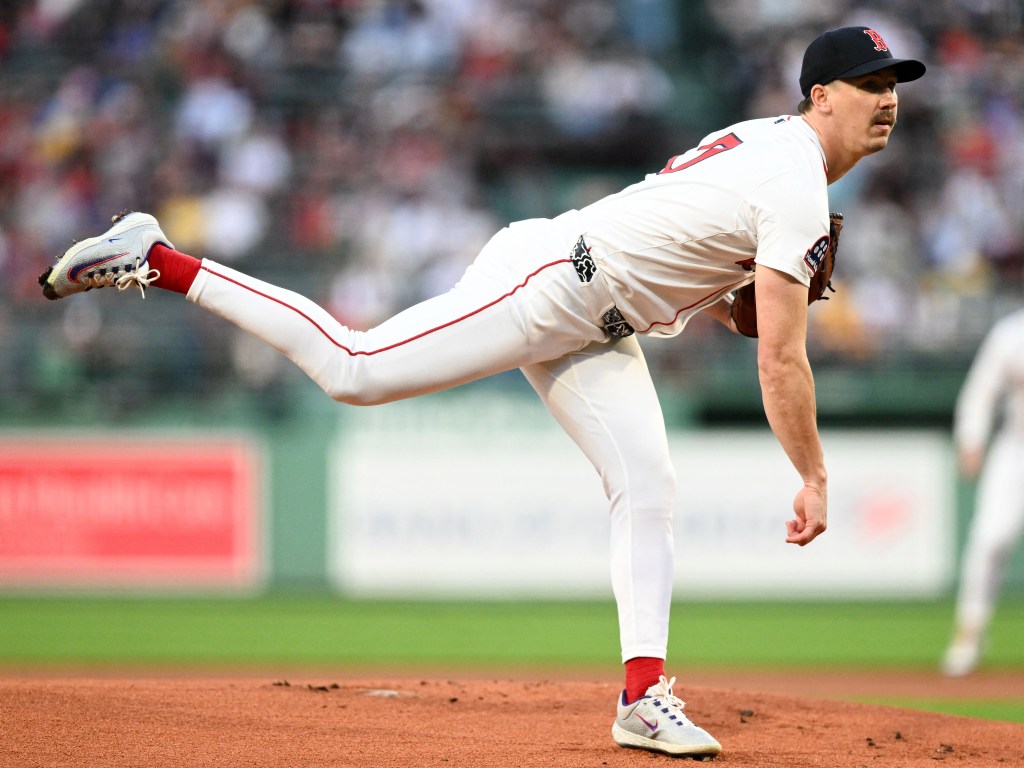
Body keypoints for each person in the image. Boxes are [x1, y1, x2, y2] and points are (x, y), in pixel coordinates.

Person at [40, 26, 925, 757]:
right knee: (355, 369)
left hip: (598, 314)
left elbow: (728, 306)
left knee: (648, 486)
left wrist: (765, 291)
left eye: (895, 82)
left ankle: (643, 697)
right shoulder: (797, 180)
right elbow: (779, 359)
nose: (887, 97)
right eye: (868, 81)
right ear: (821, 96)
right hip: (554, 281)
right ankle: (157, 258)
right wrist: (809, 474)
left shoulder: (771, 150)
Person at [942, 308, 1024, 677]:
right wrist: (971, 438)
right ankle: (969, 634)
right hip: (1016, 447)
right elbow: (981, 390)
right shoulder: (1012, 332)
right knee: (991, 537)